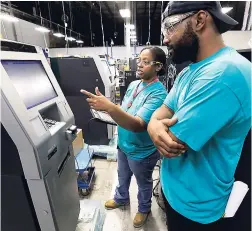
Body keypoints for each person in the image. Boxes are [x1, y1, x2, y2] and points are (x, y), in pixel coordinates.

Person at [147, 2, 251, 231]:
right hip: (178, 191)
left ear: (200, 20)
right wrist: (153, 126)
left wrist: (155, 127)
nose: (165, 39)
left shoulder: (224, 73)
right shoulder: (191, 71)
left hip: (198, 207)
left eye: (170, 27)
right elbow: (160, 113)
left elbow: (172, 143)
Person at [81, 47, 176, 228]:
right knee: (122, 175)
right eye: (139, 60)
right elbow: (125, 110)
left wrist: (110, 107)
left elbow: (138, 124)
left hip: (141, 152)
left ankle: (144, 208)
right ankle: (121, 197)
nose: (139, 65)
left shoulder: (158, 94)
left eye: (146, 62)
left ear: (158, 67)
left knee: (143, 183)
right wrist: (110, 109)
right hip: (123, 145)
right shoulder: (135, 84)